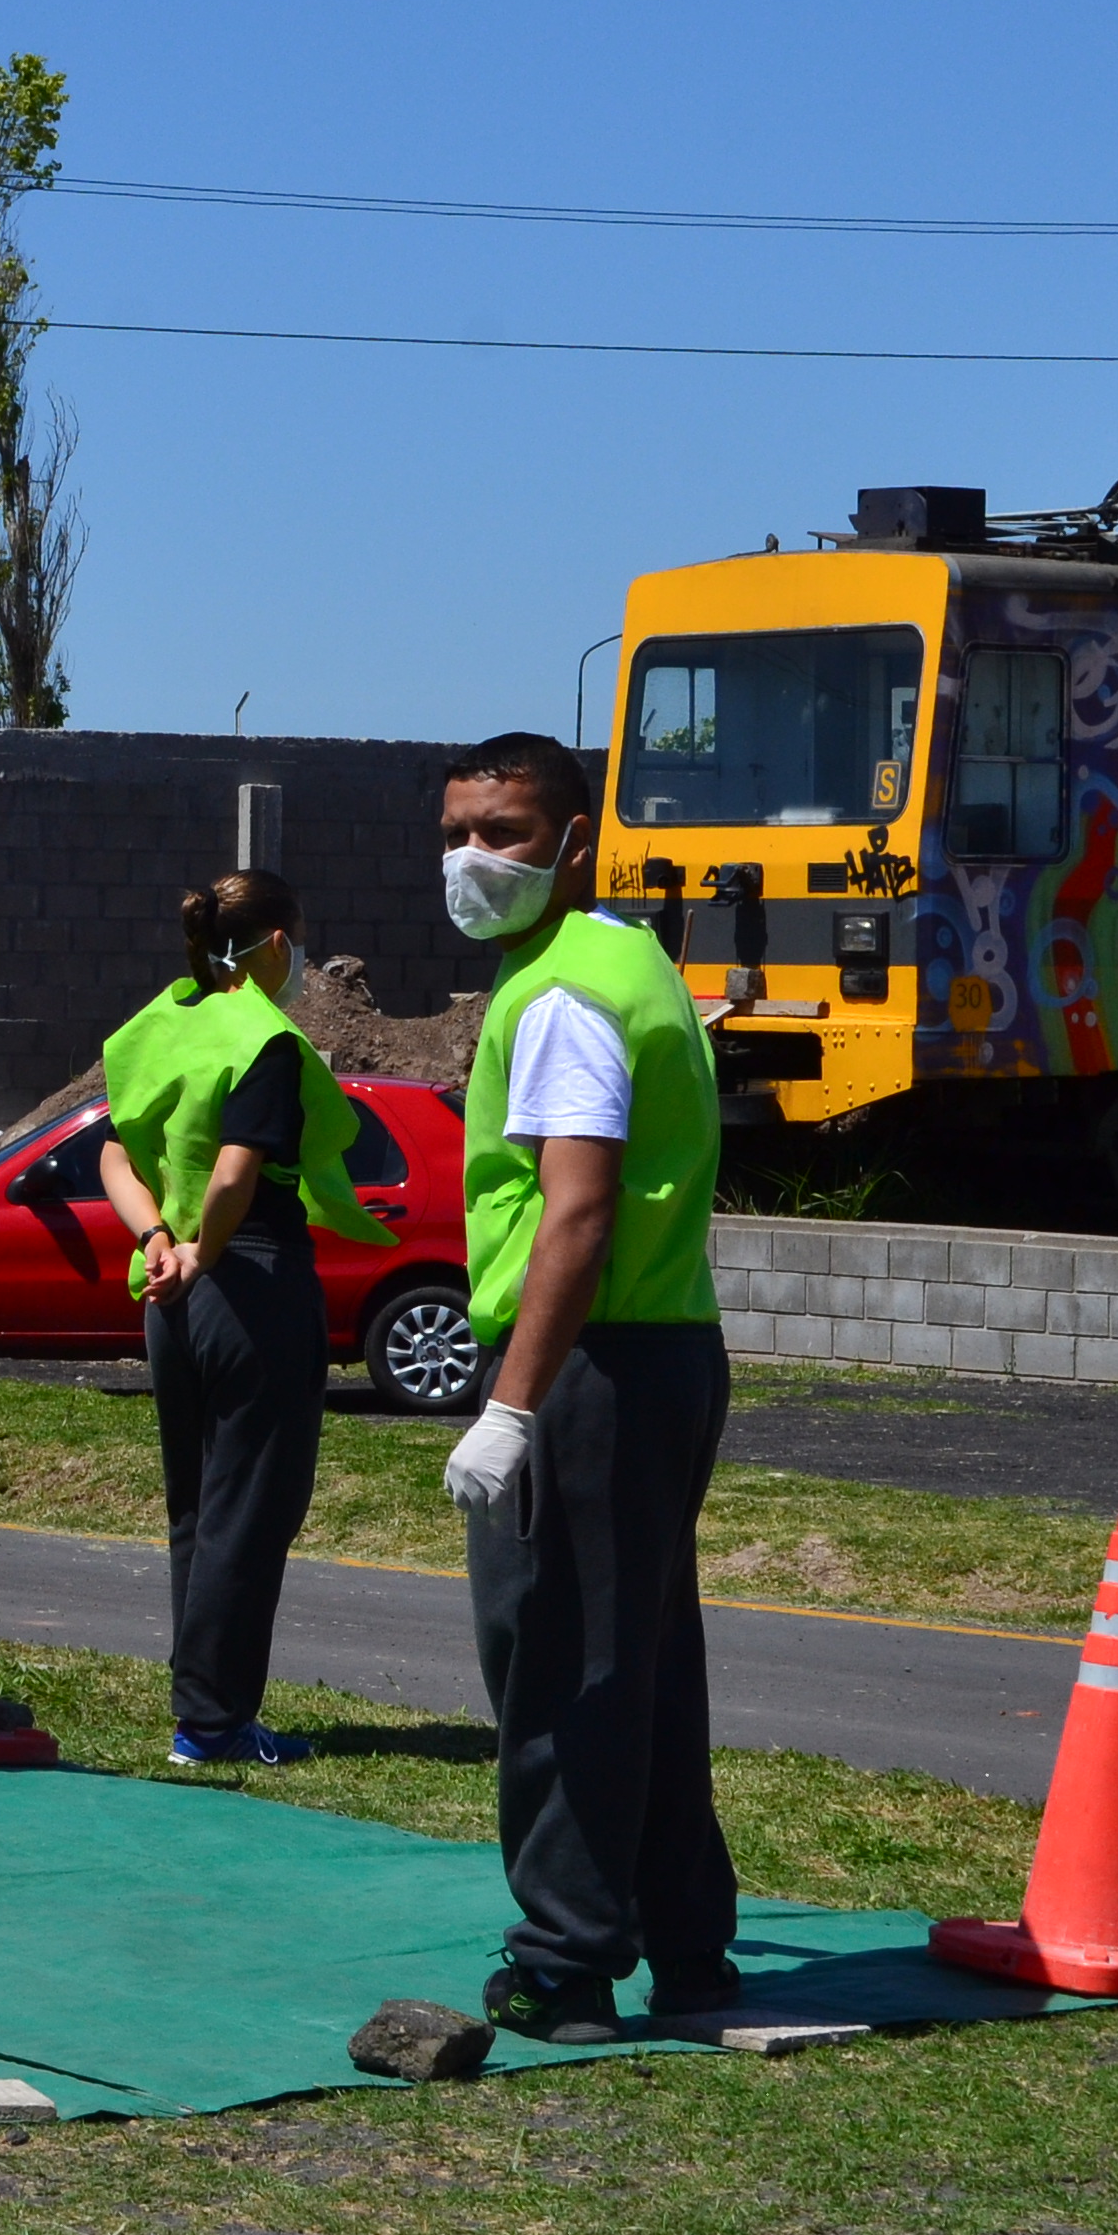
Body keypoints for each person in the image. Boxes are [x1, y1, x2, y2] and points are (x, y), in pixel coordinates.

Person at [430, 730, 740, 2041]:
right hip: (660, 1346)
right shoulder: (629, 962)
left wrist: (511, 1405)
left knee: (561, 1665)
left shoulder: (560, 995)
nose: (473, 859)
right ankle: (686, 1944)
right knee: (646, 1663)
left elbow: (575, 1213)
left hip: (588, 1363)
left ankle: (564, 1964)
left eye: (504, 832)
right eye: (456, 831)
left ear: (574, 841)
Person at [95, 868, 388, 1768]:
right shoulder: (264, 1036)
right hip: (248, 1278)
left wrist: (157, 1243)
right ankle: (214, 1720)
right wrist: (204, 1252)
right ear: (273, 947)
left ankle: (200, 1702)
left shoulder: (163, 1022)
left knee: (197, 1506)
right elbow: (234, 1173)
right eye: (298, 943)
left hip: (171, 1288)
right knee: (253, 1508)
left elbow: (112, 1153)